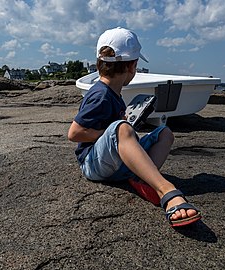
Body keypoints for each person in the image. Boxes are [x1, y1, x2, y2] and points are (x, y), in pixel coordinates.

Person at [68, 27, 201, 227]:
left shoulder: (113, 93)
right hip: (93, 164)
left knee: (164, 133)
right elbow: (75, 133)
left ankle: (144, 178)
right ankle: (166, 190)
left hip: (112, 161)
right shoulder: (100, 94)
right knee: (122, 128)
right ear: (132, 66)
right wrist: (117, 132)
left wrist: (122, 130)